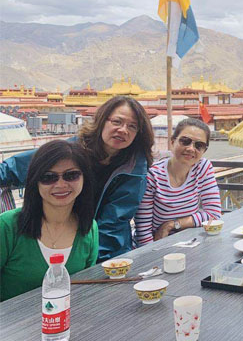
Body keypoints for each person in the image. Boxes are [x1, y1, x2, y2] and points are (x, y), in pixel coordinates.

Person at [0, 96, 154, 261]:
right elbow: (22, 166)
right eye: (117, 122)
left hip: (105, 250)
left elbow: (113, 223)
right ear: (102, 120)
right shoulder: (74, 150)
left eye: (132, 126)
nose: (124, 130)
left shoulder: (134, 168)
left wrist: (88, 260)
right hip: (56, 236)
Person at [0, 140, 98, 301]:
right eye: (48, 177)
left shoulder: (89, 229)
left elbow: (83, 293)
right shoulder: (7, 227)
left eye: (71, 175)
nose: (60, 184)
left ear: (84, 178)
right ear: (34, 182)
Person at [135, 118, 221, 245]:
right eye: (185, 141)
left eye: (199, 145)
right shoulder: (153, 176)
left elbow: (213, 214)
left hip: (188, 242)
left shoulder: (203, 167)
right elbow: (143, 232)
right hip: (156, 244)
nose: (191, 149)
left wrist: (172, 224)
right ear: (172, 142)